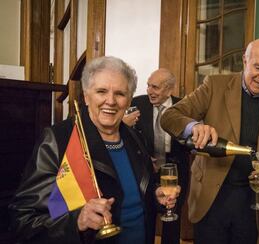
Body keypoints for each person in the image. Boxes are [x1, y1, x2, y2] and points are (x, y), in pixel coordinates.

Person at [9, 56, 179, 244]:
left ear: (129, 99)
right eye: (101, 91)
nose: (111, 101)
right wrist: (77, 221)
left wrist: (156, 196)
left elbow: (138, 196)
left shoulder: (134, 138)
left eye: (120, 94)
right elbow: (22, 220)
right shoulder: (59, 140)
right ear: (86, 95)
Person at [160, 38, 259, 244]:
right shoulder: (215, 85)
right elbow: (169, 116)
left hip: (252, 201)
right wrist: (194, 127)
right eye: (258, 67)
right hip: (210, 198)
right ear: (245, 61)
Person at [123, 68, 189, 244]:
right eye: (148, 86)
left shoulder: (184, 106)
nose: (149, 91)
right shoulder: (137, 104)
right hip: (147, 172)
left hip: (175, 171)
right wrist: (125, 125)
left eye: (155, 87)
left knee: (172, 218)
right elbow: (126, 138)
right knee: (147, 217)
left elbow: (191, 140)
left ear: (169, 90)